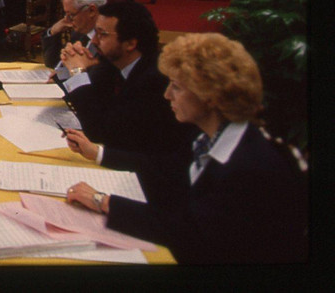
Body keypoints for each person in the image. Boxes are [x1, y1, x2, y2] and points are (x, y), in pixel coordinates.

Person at [64, 33, 308, 264]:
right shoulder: (212, 136)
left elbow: (190, 233)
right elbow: (166, 169)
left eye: (177, 87)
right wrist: (97, 153)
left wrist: (102, 201)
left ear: (210, 95)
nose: (167, 95)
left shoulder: (247, 165)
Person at [58, 0, 195, 155]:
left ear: (130, 44)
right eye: (95, 33)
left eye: (102, 34)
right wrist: (75, 66)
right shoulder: (113, 63)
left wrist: (77, 72)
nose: (94, 41)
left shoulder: (154, 80)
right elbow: (95, 108)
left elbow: (100, 132)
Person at [41, 0, 107, 71]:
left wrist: (76, 70)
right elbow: (54, 64)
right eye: (66, 14)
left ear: (91, 10)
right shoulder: (80, 34)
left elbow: (95, 83)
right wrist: (53, 32)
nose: (67, 20)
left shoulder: (109, 42)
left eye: (71, 14)